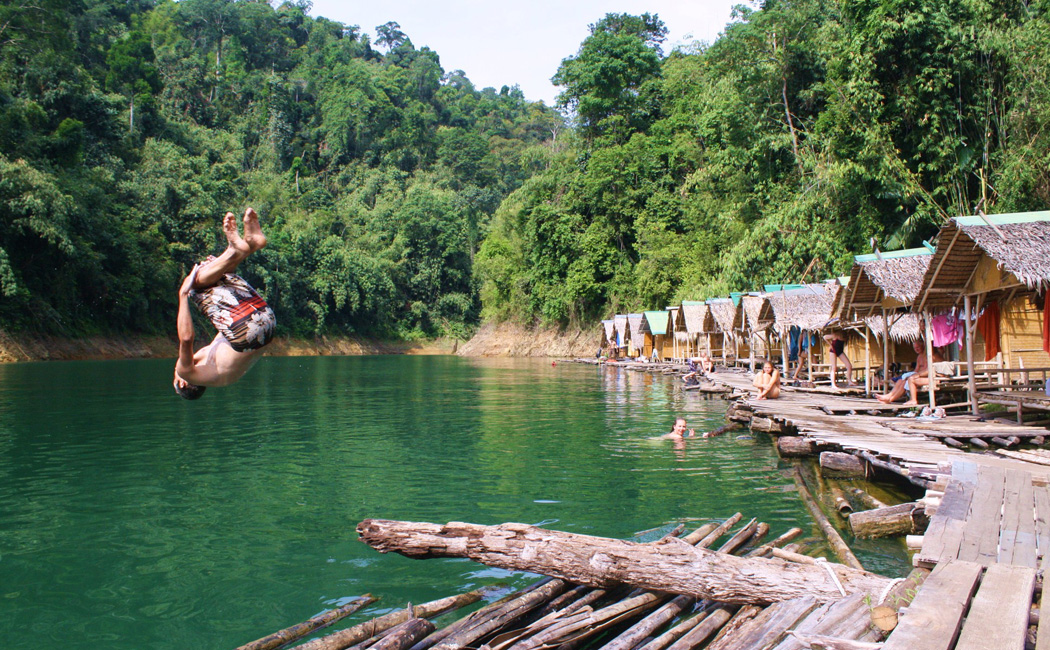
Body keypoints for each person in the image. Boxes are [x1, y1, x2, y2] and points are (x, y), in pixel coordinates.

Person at [173, 208, 275, 400]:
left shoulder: (221, 374)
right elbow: (186, 338)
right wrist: (182, 294)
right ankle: (235, 250)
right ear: (182, 383)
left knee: (215, 278)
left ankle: (251, 244)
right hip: (245, 334)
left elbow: (231, 310)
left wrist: (219, 270)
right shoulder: (187, 373)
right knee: (195, 287)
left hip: (266, 324)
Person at [876, 341, 943, 405]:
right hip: (925, 377)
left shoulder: (934, 356)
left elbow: (931, 371)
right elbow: (916, 370)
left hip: (935, 378)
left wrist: (917, 375)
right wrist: (915, 374)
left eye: (918, 347)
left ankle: (912, 400)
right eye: (915, 348)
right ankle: (889, 397)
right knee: (900, 381)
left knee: (911, 379)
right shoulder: (920, 357)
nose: (916, 349)